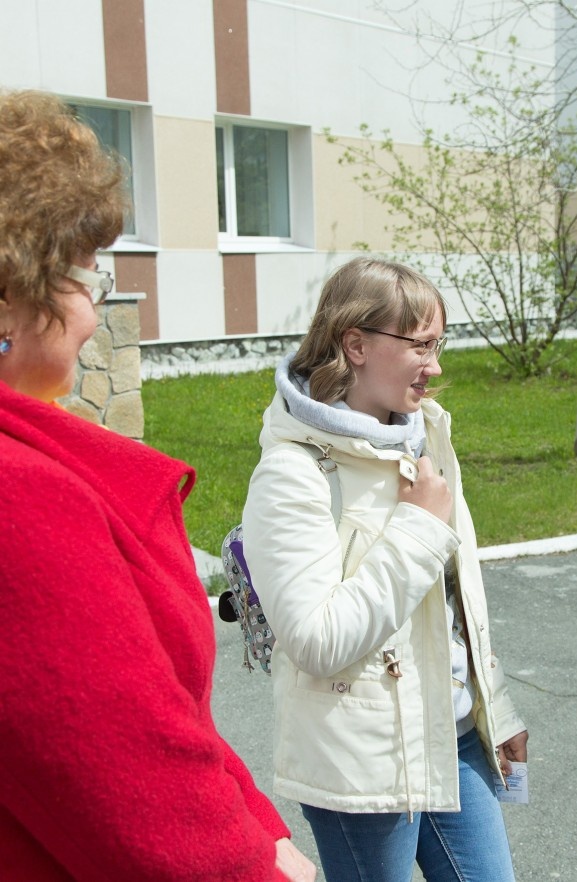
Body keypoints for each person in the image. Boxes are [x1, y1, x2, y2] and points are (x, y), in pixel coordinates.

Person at [0, 89, 314, 881]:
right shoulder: (18, 498)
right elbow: (135, 789)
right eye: (82, 277)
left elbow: (169, 722)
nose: (91, 311)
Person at [241, 256, 529, 882]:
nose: (437, 365)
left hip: (452, 734)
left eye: (439, 345)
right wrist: (420, 528)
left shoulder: (423, 439)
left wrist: (495, 709)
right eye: (421, 345)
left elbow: (457, 605)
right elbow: (318, 641)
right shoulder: (293, 473)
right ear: (356, 344)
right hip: (359, 761)